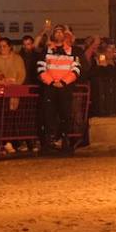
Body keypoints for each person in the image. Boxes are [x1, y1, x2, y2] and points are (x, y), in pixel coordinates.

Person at [37, 26, 81, 154]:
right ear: (52, 35)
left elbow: (76, 69)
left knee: (65, 115)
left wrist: (63, 82)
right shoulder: (46, 51)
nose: (59, 34)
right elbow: (40, 69)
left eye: (61, 31)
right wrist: (51, 82)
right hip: (49, 88)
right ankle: (48, 143)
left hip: (65, 88)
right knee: (48, 115)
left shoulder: (72, 51)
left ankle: (64, 141)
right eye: (56, 31)